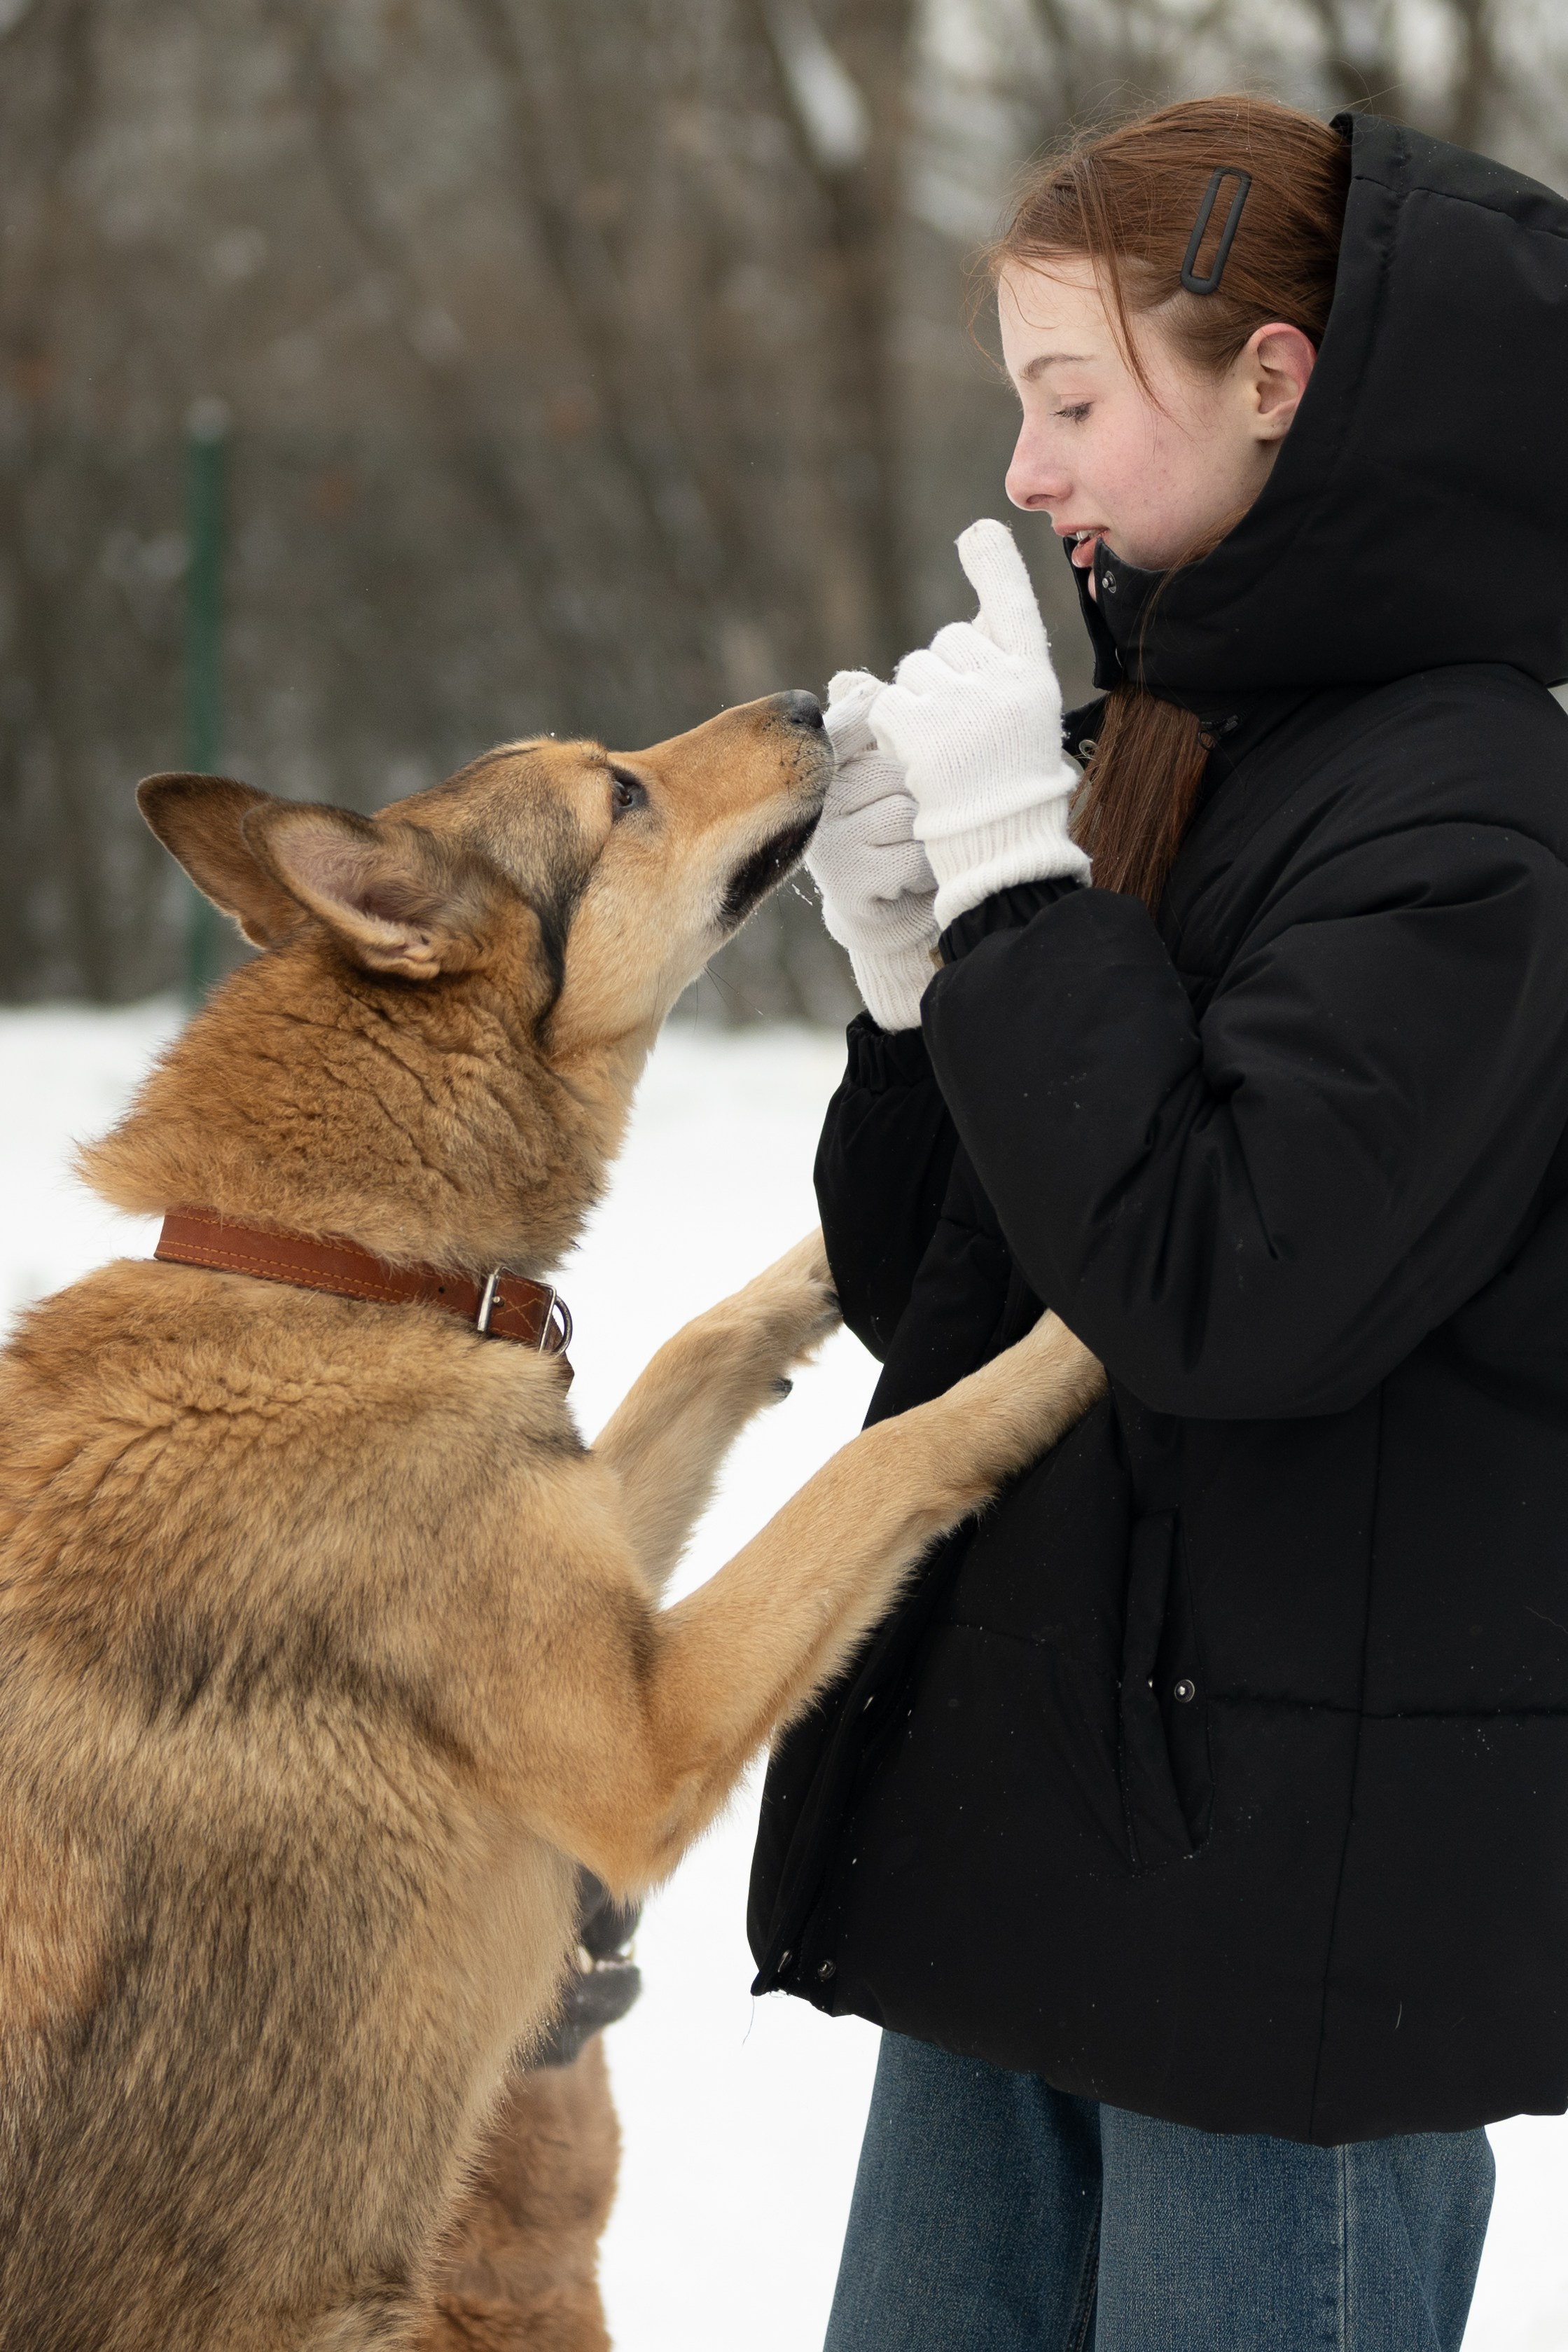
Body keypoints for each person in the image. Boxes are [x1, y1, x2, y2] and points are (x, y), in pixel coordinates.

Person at [746, 92, 1568, 2349]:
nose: (1031, 469)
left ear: (1275, 379)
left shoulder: (1475, 813)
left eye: (1075, 397)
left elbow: (1224, 1290)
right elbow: (960, 1298)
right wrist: (926, 988)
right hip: (1044, 1857)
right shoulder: (1179, 750)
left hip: (1288, 1947)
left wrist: (1032, 895)